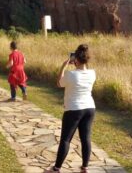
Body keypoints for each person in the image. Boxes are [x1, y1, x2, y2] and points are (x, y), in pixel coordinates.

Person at [45, 44, 95, 173]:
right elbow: (84, 71)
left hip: (73, 109)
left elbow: (58, 83)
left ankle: (56, 169)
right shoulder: (92, 73)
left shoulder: (70, 74)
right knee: (86, 138)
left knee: (66, 139)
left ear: (75, 60)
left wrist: (63, 66)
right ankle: (85, 167)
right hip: (89, 108)